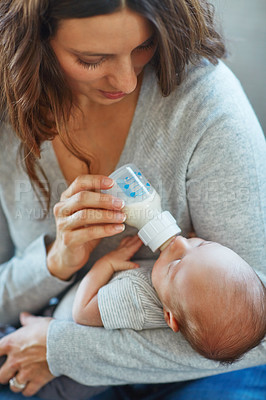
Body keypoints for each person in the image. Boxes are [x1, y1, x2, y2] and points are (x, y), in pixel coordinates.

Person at [0, 1, 265, 400]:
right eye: (92, 59)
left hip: (201, 373)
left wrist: (63, 350)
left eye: (144, 47)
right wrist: (53, 262)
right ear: (32, 41)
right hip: (41, 341)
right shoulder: (8, 119)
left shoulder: (203, 103)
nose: (126, 80)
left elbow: (255, 332)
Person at [72, 234, 266, 364]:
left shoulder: (136, 297)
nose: (181, 241)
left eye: (176, 264)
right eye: (202, 244)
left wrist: (106, 263)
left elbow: (81, 311)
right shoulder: (184, 297)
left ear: (169, 316)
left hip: (71, 375)